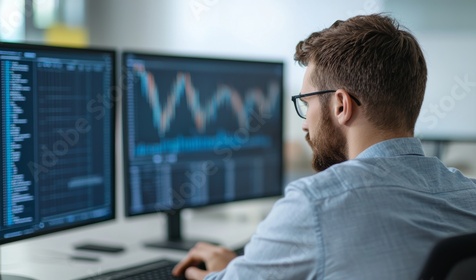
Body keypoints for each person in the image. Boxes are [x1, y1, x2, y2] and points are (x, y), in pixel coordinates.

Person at [172, 13, 476, 280]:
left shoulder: (316, 203)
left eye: (306, 104)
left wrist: (228, 272)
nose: (305, 123)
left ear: (341, 105)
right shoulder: (469, 196)